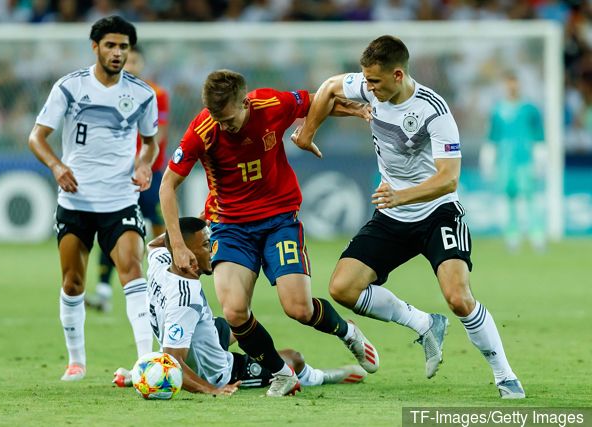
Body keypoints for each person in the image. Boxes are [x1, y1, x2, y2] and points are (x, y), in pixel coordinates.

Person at [294, 35, 525, 399]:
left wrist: (400, 195)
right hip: (393, 214)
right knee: (343, 288)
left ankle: (505, 375)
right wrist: (308, 133)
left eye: (375, 81)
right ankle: (424, 323)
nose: (368, 89)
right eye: (366, 80)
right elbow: (328, 88)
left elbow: (448, 179)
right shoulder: (369, 87)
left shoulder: (434, 110)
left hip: (437, 212)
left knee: (458, 298)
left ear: (398, 74)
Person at [159, 69, 379, 397]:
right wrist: (178, 245)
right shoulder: (203, 130)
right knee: (234, 312)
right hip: (230, 227)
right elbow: (167, 185)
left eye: (229, 119)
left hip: (278, 220)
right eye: (217, 119)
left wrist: (355, 109)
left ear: (245, 103)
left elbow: (318, 100)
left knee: (299, 308)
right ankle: (282, 374)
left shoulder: (270, 104)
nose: (224, 126)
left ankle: (348, 332)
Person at [28, 15, 157, 381]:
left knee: (132, 270)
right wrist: (57, 166)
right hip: (76, 201)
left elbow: (150, 143)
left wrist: (144, 165)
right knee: (73, 282)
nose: (117, 53)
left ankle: (146, 361)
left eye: (123, 47)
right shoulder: (70, 87)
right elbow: (37, 137)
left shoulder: (142, 94)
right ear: (95, 47)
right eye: (110, 45)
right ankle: (76, 361)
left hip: (120, 199)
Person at [112, 217, 368, 395]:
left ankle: (142, 372)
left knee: (242, 324)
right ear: (185, 252)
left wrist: (180, 238)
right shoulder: (185, 300)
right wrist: (211, 390)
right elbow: (172, 360)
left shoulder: (160, 260)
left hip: (202, 332)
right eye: (205, 245)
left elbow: (155, 244)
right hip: (218, 371)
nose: (213, 250)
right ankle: (322, 376)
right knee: (293, 358)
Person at [87, 44, 171, 313]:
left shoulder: (156, 94)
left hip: (150, 173)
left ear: (142, 64)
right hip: (118, 175)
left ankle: (166, 287)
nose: (131, 66)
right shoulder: (108, 94)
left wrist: (140, 161)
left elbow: (159, 133)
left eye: (135, 61)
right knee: (110, 227)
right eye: (127, 61)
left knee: (160, 230)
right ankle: (103, 292)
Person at [481, 71, 546, 252]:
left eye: (515, 82)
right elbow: (492, 137)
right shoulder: (497, 110)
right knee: (509, 198)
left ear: (519, 84)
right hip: (505, 161)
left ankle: (537, 235)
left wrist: (540, 158)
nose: (512, 86)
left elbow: (539, 136)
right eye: (509, 83)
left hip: (525, 160)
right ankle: (512, 236)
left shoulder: (530, 109)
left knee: (530, 197)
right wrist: (488, 159)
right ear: (504, 85)